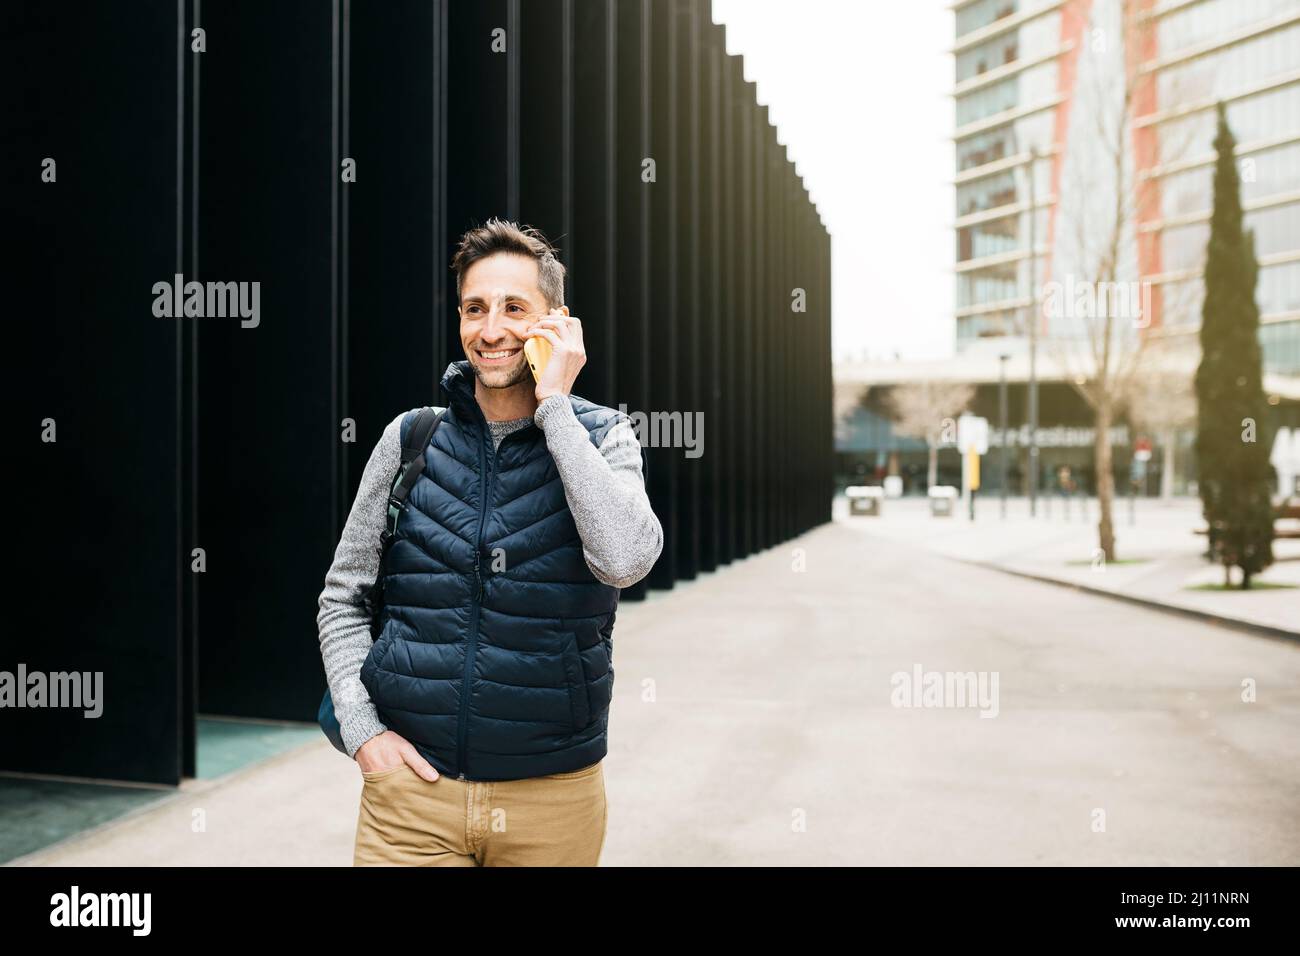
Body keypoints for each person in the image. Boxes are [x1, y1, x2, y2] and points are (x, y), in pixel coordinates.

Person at [316, 217, 663, 866]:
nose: (491, 329)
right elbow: (343, 599)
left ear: (556, 322)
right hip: (412, 798)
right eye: (474, 309)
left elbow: (625, 560)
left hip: (553, 800)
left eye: (514, 308)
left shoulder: (605, 437)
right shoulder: (410, 439)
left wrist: (555, 406)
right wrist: (364, 734)